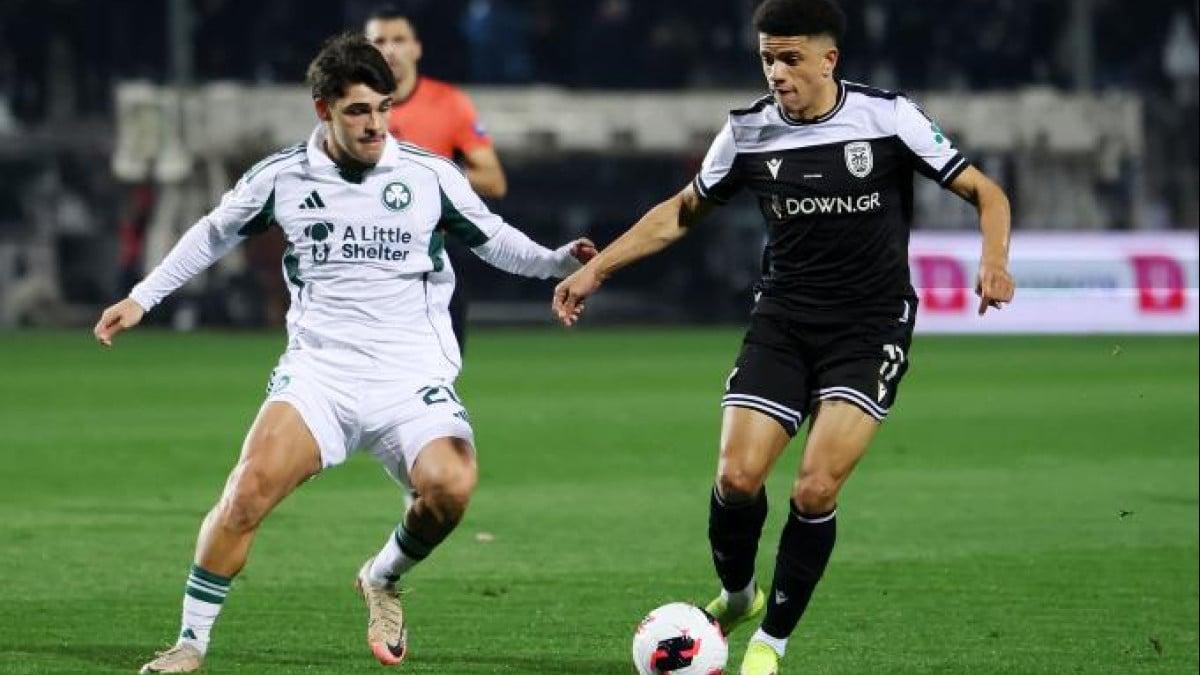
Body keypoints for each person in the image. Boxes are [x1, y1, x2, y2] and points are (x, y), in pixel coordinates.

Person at [95, 33, 594, 674]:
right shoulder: (282, 177)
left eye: (384, 108)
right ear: (323, 109)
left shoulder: (427, 176)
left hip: (410, 377)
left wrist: (557, 262)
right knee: (244, 496)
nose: (375, 125)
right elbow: (213, 233)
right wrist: (143, 297)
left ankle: (381, 576)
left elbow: (494, 240)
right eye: (359, 110)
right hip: (319, 376)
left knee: (452, 488)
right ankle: (190, 644)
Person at [552, 1, 1014, 673]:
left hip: (869, 326)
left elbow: (987, 193)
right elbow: (681, 211)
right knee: (736, 477)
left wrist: (994, 261)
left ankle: (772, 641)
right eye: (767, 58)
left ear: (830, 60)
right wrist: (598, 269)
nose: (776, 72)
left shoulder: (888, 118)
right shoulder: (748, 131)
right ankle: (740, 595)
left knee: (815, 489)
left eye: (791, 58)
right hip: (784, 320)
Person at [366, 6, 508, 355]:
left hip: (435, 258)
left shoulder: (449, 104)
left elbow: (493, 180)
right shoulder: (351, 109)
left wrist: (429, 177)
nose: (390, 50)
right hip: (368, 258)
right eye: (379, 41)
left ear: (416, 48)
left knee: (439, 370)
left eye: (399, 40)